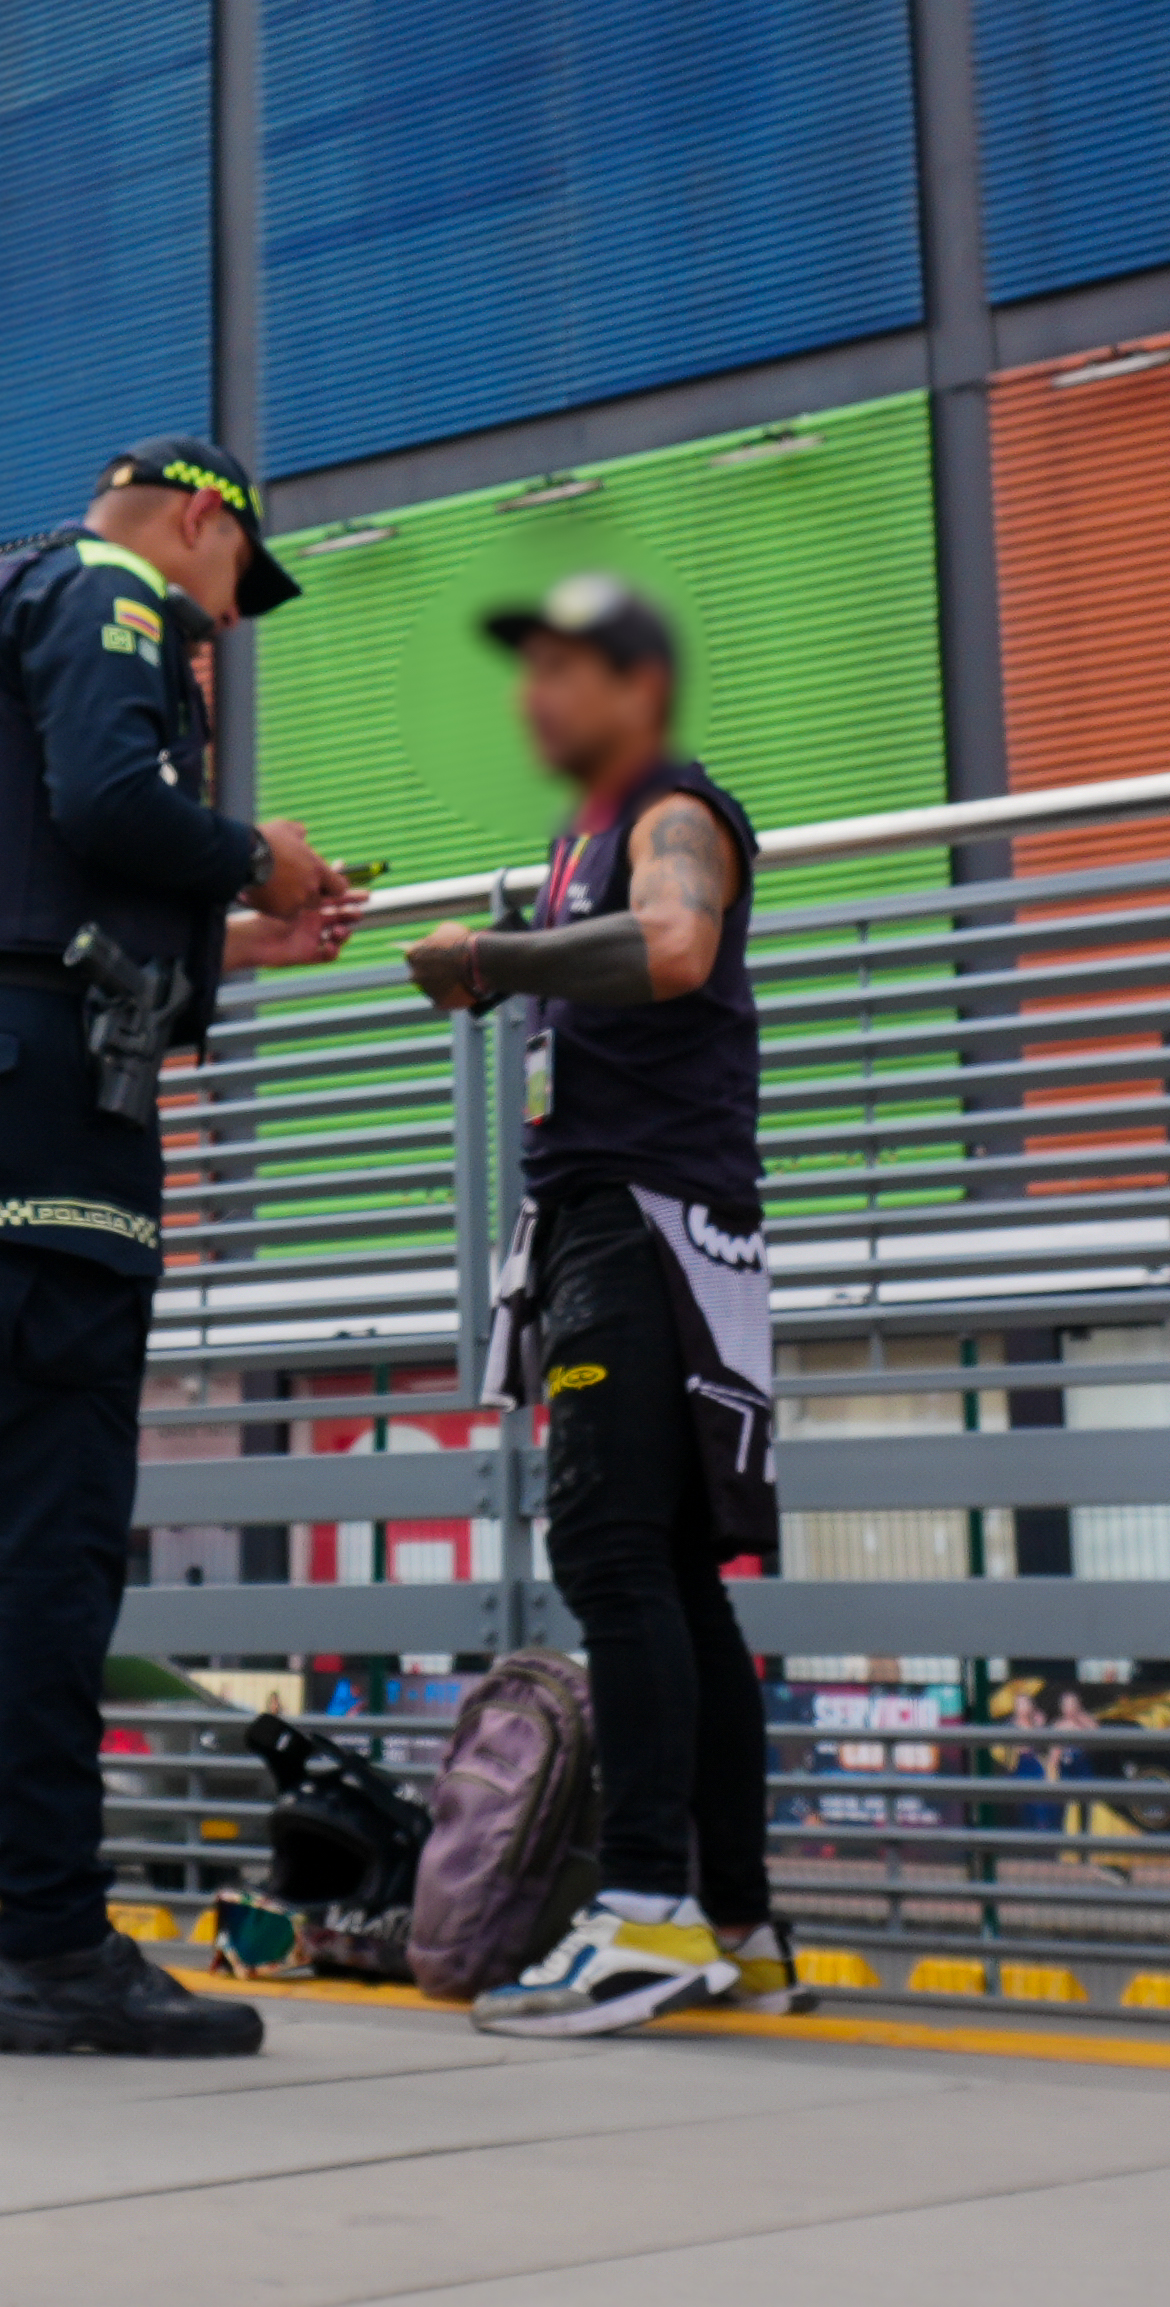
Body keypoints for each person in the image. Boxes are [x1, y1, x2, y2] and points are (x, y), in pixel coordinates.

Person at [0, 435, 360, 2060]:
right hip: (30, 1091)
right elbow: (112, 800)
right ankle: (48, 1941)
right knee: (50, 1516)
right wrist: (257, 850)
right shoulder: (117, 589)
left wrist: (240, 931)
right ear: (200, 517)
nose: (224, 620)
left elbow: (27, 864)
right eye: (233, 584)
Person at [401, 573, 802, 2037]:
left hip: (640, 1228)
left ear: (638, 689)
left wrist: (495, 962)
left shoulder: (675, 812)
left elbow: (681, 945)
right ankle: (739, 1927)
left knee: (615, 1552)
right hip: (622, 1226)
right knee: (674, 1576)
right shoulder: (582, 837)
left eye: (570, 670)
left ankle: (642, 1909)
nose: (537, 697)